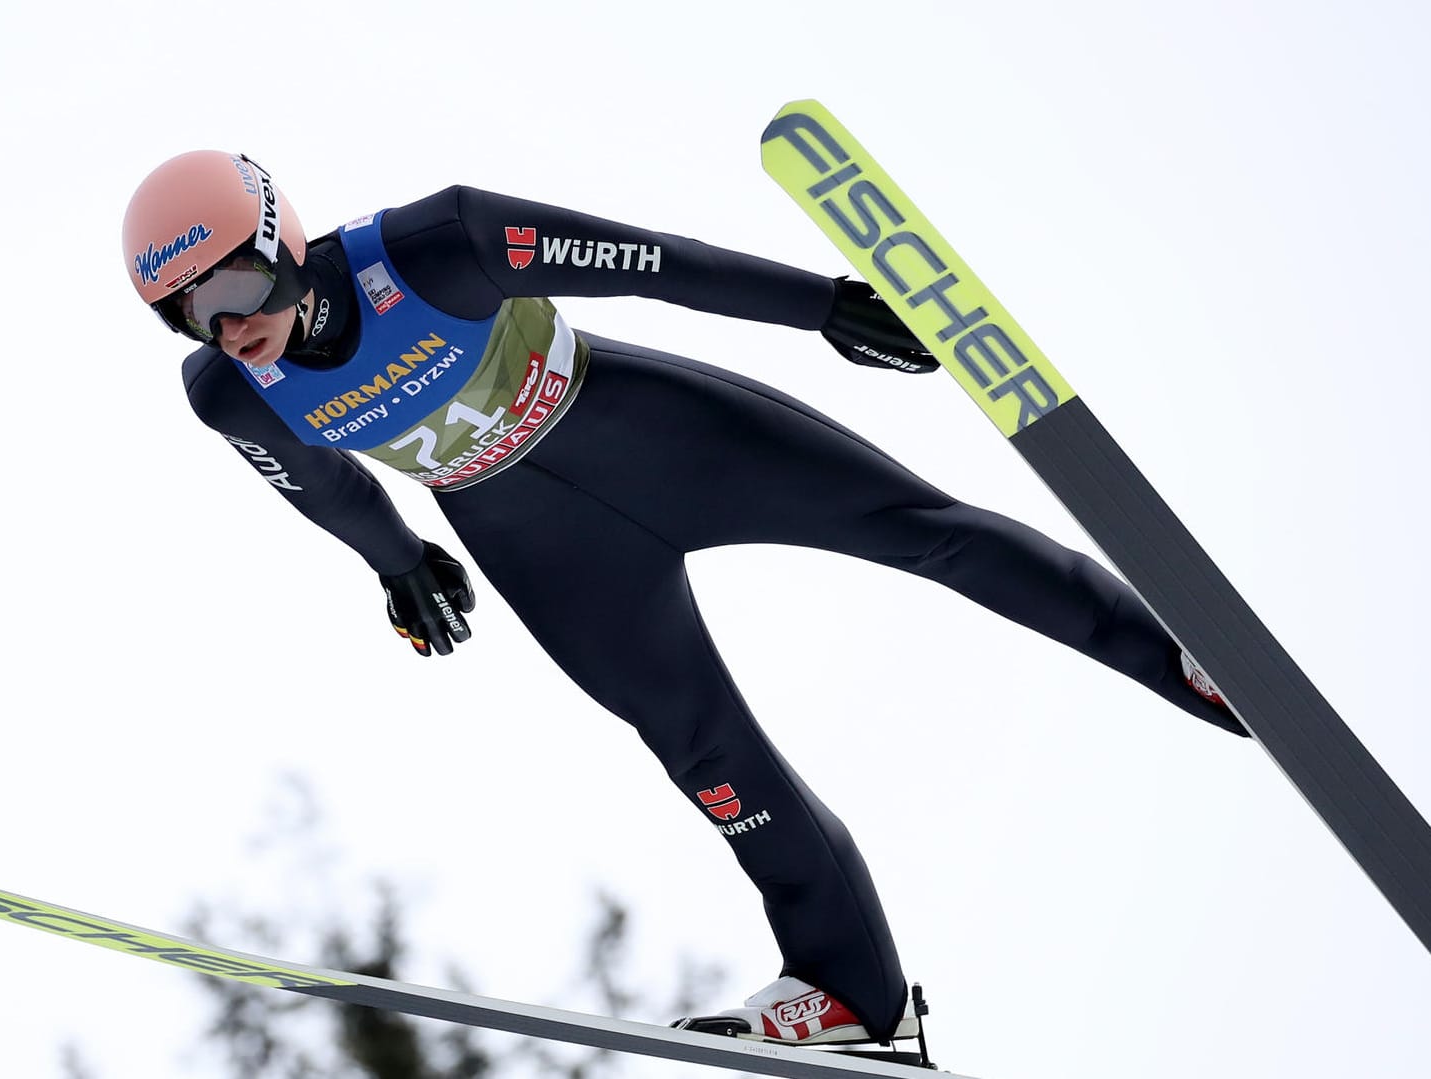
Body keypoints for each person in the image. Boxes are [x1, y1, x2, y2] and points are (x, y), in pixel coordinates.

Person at [121, 151, 1244, 1047]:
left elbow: (655, 263)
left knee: (926, 537)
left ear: (284, 239)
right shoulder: (233, 393)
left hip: (657, 434)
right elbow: (320, 480)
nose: (222, 323)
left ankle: (1188, 662)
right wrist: (396, 561)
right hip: (539, 542)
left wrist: (822, 308)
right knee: (703, 750)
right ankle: (854, 993)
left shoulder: (436, 246)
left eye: (229, 283)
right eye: (183, 310)